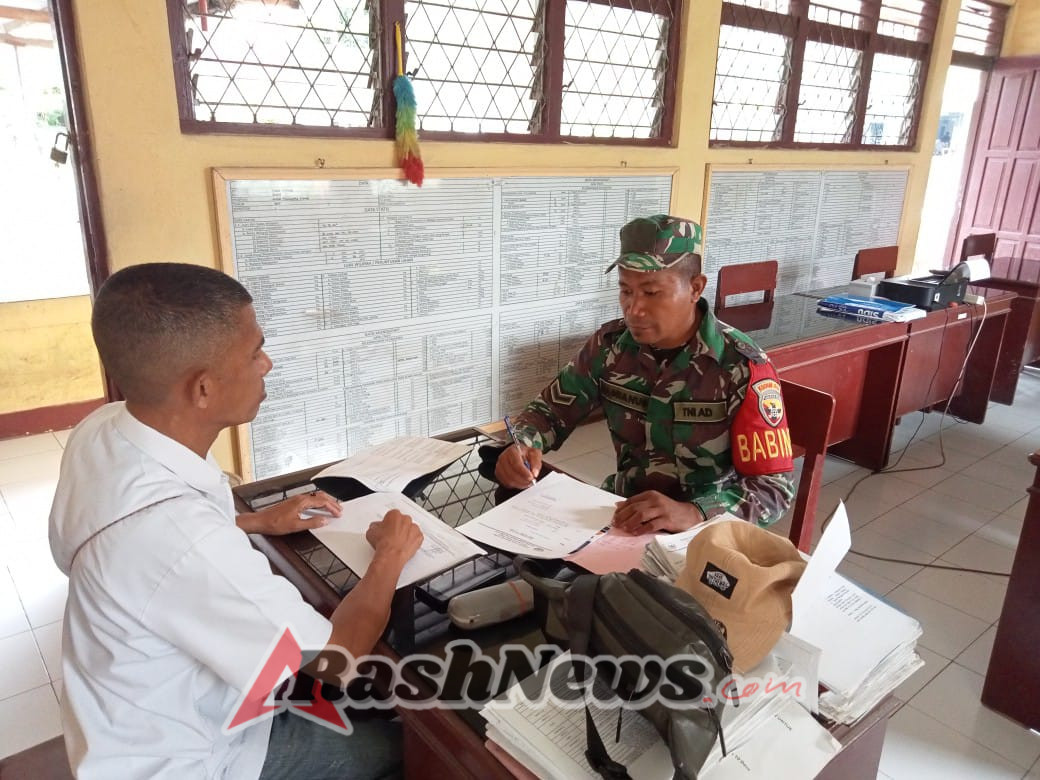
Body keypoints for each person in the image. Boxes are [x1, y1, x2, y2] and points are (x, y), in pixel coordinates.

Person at [49, 263, 421, 779]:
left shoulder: (104, 429)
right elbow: (337, 659)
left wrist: (254, 521)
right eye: (253, 352)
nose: (266, 364)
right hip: (192, 760)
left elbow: (131, 532)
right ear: (202, 389)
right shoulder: (185, 543)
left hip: (119, 723)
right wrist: (390, 555)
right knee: (403, 737)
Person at [496, 215, 795, 532]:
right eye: (626, 291)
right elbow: (549, 412)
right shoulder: (609, 348)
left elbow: (774, 488)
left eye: (651, 293)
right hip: (622, 517)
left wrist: (693, 512)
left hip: (705, 533)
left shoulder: (740, 366)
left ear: (695, 288)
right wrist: (521, 444)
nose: (634, 309)